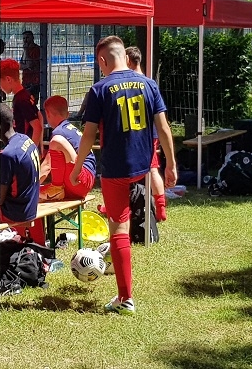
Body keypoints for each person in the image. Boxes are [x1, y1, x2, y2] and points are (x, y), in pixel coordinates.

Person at [71, 36, 176, 315]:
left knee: (119, 229)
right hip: (144, 163)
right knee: (123, 220)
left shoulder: (100, 89)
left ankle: (125, 298)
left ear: (102, 60)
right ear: (125, 57)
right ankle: (159, 210)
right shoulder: (149, 84)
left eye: (99, 65)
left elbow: (89, 135)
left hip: (116, 167)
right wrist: (170, 164)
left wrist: (77, 167)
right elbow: (164, 128)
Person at [0, 103, 43, 245]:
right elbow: (15, 171)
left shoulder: (7, 155)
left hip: (16, 212)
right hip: (31, 204)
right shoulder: (25, 140)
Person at [126, 46, 169, 221]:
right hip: (150, 134)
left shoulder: (125, 85)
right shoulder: (150, 84)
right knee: (152, 168)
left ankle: (123, 205)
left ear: (128, 61)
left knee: (125, 169)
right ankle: (160, 207)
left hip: (133, 133)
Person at [40, 95, 96, 201]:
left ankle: (56, 187)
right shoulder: (70, 129)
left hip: (79, 180)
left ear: (47, 114)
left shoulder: (59, 132)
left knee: (56, 141)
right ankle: (56, 188)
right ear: (67, 114)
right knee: (38, 193)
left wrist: (28, 186)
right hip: (84, 180)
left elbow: (47, 166)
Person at [0, 58, 44, 150]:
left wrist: (31, 151)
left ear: (8, 79)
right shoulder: (24, 95)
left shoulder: (21, 100)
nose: (0, 87)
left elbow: (37, 127)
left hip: (24, 146)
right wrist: (41, 145)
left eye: (0, 83)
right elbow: (39, 116)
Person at [20, 30, 42, 101]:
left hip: (34, 82)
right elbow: (20, 66)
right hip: (25, 81)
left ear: (32, 38)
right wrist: (27, 66)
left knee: (32, 102)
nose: (25, 40)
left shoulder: (37, 49)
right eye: (24, 38)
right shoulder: (25, 50)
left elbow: (30, 64)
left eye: (27, 38)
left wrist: (26, 51)